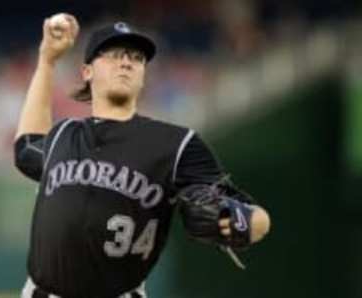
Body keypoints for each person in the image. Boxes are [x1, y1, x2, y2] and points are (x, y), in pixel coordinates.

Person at [14, 13, 270, 298]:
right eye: (114, 55)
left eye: (136, 58)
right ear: (87, 71)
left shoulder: (176, 144)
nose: (126, 62)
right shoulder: (65, 134)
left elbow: (254, 217)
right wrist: (47, 60)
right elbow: (26, 148)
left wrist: (245, 221)